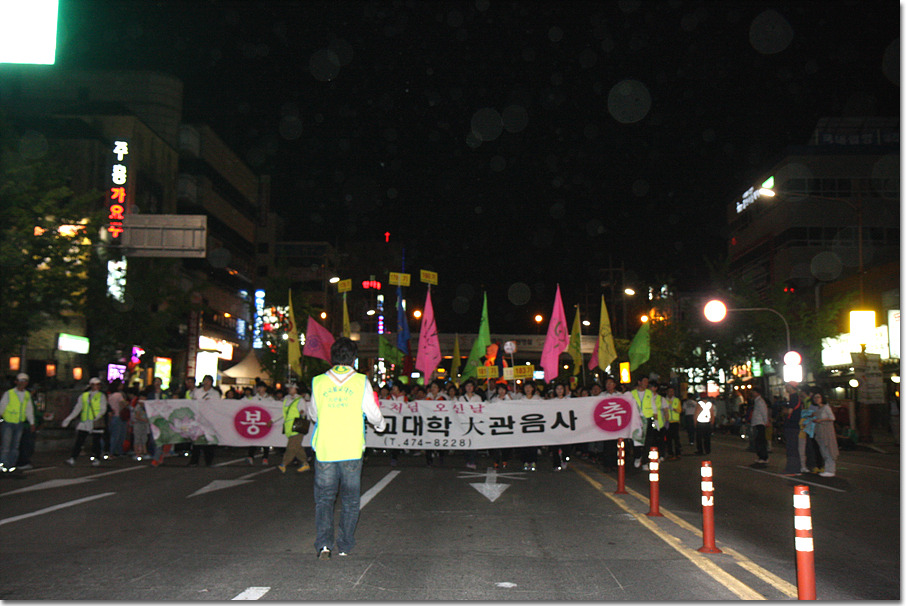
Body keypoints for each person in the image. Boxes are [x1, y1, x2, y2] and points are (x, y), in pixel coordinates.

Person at [308, 337, 386, 559]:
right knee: (350, 499)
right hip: (351, 448)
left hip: (325, 448)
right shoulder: (361, 381)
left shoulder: (318, 381)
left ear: (332, 357)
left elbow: (313, 413)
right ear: (354, 358)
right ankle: (344, 545)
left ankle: (324, 545)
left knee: (325, 499)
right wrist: (381, 425)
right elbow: (373, 413)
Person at [63, 377, 108, 466]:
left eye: (98, 385)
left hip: (95, 422)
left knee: (96, 441)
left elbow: (103, 408)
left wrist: (97, 416)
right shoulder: (84, 396)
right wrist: (69, 418)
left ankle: (96, 458)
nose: (97, 386)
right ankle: (73, 458)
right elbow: (77, 408)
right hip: (85, 421)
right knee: (79, 440)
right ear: (91, 385)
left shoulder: (101, 396)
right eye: (95, 385)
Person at [0, 373, 36, 473]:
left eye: (25, 381)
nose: (23, 383)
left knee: (15, 446)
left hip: (19, 423)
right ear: (16, 382)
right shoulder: (9, 393)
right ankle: (3, 465)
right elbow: (2, 406)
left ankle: (11, 466)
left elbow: (29, 409)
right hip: (8, 422)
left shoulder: (27, 395)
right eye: (21, 381)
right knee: (6, 446)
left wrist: (32, 423)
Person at [275, 382, 310, 473]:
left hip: (297, 426)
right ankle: (305, 463)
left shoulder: (300, 400)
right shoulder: (286, 399)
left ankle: (283, 464)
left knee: (291, 447)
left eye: (292, 388)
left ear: (296, 389)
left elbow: (304, 411)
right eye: (289, 388)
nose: (290, 389)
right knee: (297, 447)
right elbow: (282, 412)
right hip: (289, 427)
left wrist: (302, 412)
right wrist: (272, 420)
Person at [188, 374, 221, 466]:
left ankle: (208, 460)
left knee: (209, 440)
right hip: (198, 418)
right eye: (205, 381)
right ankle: (194, 460)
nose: (206, 383)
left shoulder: (215, 393)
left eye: (208, 381)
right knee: (197, 440)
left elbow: (218, 405)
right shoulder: (197, 392)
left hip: (210, 418)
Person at [246, 381, 274, 465]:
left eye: (261, 387)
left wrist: (271, 420)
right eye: (258, 387)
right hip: (256, 421)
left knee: (266, 439)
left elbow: (274, 409)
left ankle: (265, 457)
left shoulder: (270, 399)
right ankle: (250, 456)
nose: (260, 389)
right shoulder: (253, 398)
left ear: (265, 388)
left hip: (266, 421)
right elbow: (244, 403)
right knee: (254, 439)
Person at [515, 381, 541, 471]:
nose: (528, 389)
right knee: (525, 444)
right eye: (526, 387)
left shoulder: (537, 399)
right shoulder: (521, 399)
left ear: (533, 388)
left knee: (533, 444)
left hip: (534, 424)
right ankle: (525, 461)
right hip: (524, 425)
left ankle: (533, 461)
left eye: (530, 387)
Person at [458, 380, 483, 469]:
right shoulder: (461, 398)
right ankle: (468, 460)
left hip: (475, 423)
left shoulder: (478, 398)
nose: (469, 387)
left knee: (474, 442)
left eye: (471, 386)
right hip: (465, 423)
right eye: (467, 386)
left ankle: (472, 461)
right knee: (466, 442)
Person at [812, 392, 838, 477]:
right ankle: (827, 469)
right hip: (820, 432)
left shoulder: (826, 407)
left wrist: (821, 420)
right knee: (823, 451)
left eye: (818, 397)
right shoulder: (818, 409)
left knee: (829, 450)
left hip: (826, 431)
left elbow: (832, 418)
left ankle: (831, 470)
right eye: (815, 398)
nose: (816, 399)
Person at [780, 383, 803, 476]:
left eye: (787, 386)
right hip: (794, 425)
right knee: (793, 447)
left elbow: (789, 411)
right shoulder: (796, 397)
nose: (786, 388)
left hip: (792, 425)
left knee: (791, 447)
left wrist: (784, 411)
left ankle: (792, 469)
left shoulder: (794, 397)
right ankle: (796, 469)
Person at [488, 382, 512, 469]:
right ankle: (496, 461)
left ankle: (505, 460)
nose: (501, 391)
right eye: (499, 389)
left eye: (503, 389)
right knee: (496, 444)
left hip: (507, 424)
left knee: (506, 444)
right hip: (496, 424)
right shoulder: (494, 399)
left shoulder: (509, 399)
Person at [750, 386, 770, 465]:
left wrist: (766, 421)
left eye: (753, 392)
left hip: (760, 423)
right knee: (758, 440)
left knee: (760, 441)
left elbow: (764, 412)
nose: (752, 393)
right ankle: (761, 456)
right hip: (757, 423)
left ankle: (763, 457)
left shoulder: (760, 402)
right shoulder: (757, 401)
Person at [663, 386, 683, 460]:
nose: (671, 393)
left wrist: (673, 409)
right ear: (667, 392)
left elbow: (680, 410)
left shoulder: (676, 400)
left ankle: (678, 453)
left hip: (675, 422)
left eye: (672, 391)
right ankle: (670, 453)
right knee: (668, 439)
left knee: (676, 438)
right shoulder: (664, 400)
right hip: (667, 422)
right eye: (669, 391)